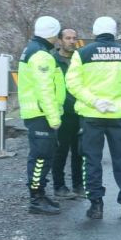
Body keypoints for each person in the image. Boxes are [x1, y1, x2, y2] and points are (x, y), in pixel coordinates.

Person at [65, 16, 121, 219]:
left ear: (94, 32)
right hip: (119, 115)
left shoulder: (81, 54)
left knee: (91, 160)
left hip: (92, 115)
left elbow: (73, 84)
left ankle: (96, 206)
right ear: (115, 32)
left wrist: (94, 101)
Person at [17, 16, 64, 216]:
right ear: (53, 34)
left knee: (42, 157)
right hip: (41, 114)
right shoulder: (42, 56)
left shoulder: (33, 49)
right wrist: (54, 118)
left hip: (36, 112)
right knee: (41, 158)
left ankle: (40, 194)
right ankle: (36, 198)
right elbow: (45, 89)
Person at [51, 26, 83, 200]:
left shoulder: (81, 59)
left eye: (74, 38)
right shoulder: (52, 60)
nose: (72, 41)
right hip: (62, 112)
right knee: (61, 150)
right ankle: (59, 186)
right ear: (60, 40)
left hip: (81, 110)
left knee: (79, 151)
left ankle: (79, 185)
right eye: (68, 38)